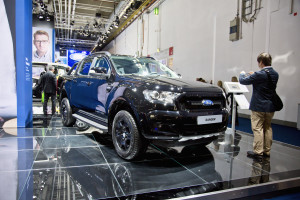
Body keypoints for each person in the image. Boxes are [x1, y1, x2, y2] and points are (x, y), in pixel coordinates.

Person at [239, 52, 279, 161]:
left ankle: (258, 152)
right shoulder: (275, 74)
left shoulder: (259, 74)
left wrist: (242, 73)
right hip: (270, 106)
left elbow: (242, 81)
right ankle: (267, 150)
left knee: (257, 128)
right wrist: (254, 74)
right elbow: (264, 79)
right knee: (267, 127)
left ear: (261, 62)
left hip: (258, 106)